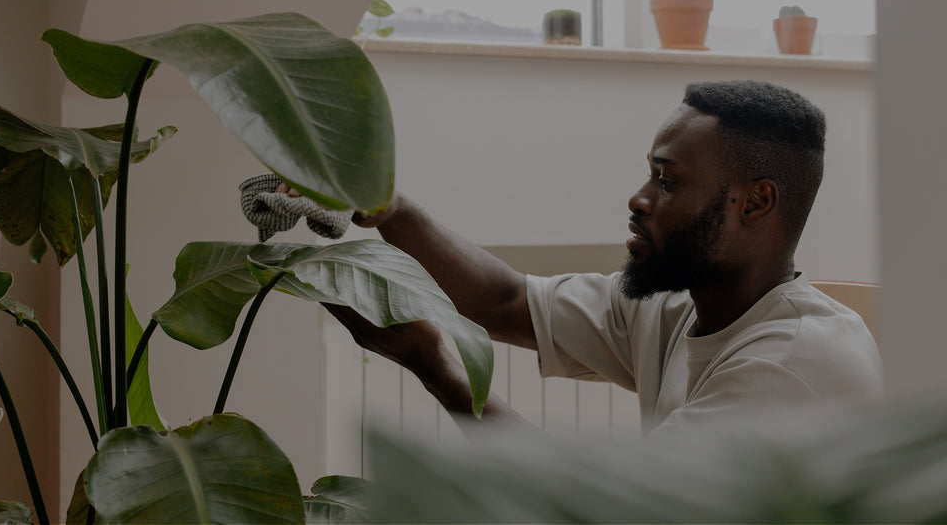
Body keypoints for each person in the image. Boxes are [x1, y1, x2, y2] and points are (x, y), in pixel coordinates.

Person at [306, 79, 885, 436]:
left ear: (756, 202)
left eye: (667, 181)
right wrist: (386, 207)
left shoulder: (788, 368)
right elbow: (505, 301)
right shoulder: (678, 307)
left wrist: (439, 370)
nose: (639, 199)